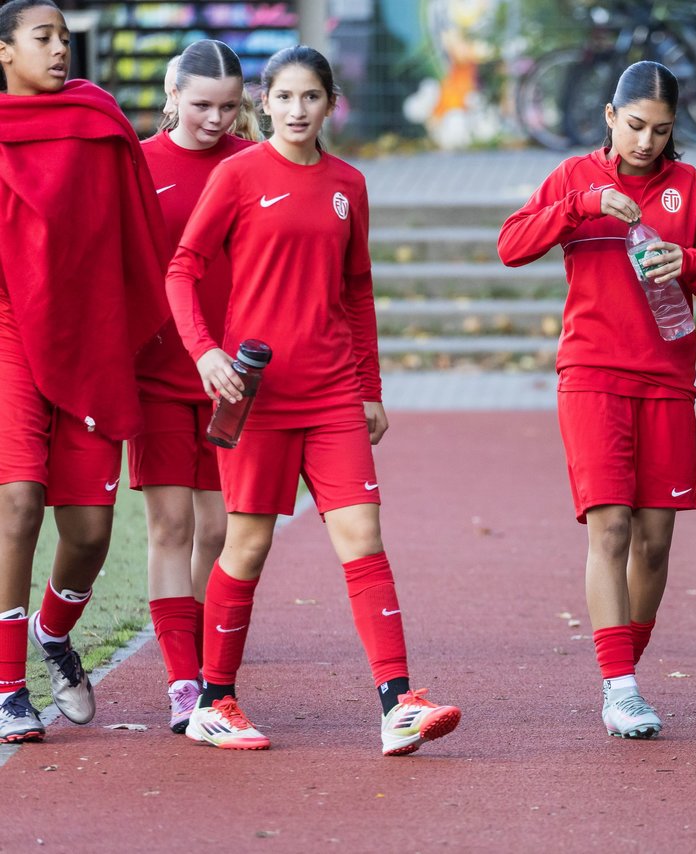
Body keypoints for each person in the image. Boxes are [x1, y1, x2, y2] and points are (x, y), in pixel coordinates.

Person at [165, 45, 461, 755]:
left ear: (331, 104)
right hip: (259, 397)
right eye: (285, 97)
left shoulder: (348, 184)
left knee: (364, 539)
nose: (298, 110)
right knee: (249, 544)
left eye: (312, 98)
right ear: (264, 103)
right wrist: (206, 352)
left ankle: (397, 703)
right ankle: (215, 699)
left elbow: (358, 290)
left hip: (333, 394)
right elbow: (183, 269)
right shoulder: (237, 175)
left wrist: (371, 389)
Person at [499, 61, 696, 739]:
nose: (646, 142)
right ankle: (622, 687)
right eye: (635, 126)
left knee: (655, 545)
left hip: (665, 377)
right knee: (611, 528)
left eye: (661, 131)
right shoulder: (575, 178)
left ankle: (623, 669)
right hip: (591, 373)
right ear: (610, 116)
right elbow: (511, 246)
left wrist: (683, 262)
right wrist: (583, 206)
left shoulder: (687, 186)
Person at [0, 0, 170, 744]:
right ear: (5, 51)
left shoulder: (98, 119)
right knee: (18, 502)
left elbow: (136, 231)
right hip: (9, 331)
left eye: (67, 38)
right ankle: (8, 690)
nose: (61, 49)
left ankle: (54, 631)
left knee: (92, 529)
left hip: (91, 335)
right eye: (44, 38)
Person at [133, 39, 256, 735]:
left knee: (219, 529)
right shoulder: (139, 165)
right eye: (203, 105)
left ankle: (211, 663)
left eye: (230, 107)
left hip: (235, 379)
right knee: (170, 525)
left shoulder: (252, 163)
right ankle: (187, 684)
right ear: (172, 95)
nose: (215, 120)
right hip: (155, 373)